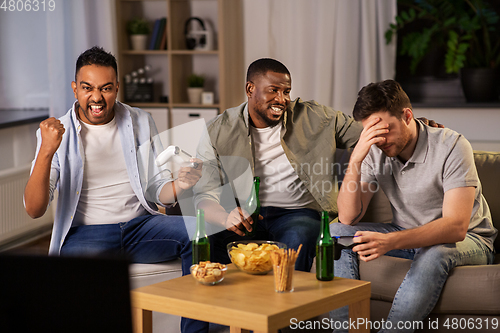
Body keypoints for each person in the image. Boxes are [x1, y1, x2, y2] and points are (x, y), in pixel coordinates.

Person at [23, 46, 206, 333]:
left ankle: (195, 330)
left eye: (106, 88)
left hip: (140, 227)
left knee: (199, 234)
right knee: (69, 285)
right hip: (88, 234)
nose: (96, 97)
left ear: (117, 88)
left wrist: (179, 184)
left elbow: (157, 188)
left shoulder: (140, 121)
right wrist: (46, 151)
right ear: (75, 89)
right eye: (87, 88)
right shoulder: (57, 132)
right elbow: (34, 210)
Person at [330, 79, 497, 332]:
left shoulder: (451, 145)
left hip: (470, 240)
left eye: (385, 130)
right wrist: (356, 158)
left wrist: (391, 242)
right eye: (371, 133)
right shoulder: (375, 150)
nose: (379, 140)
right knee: (336, 234)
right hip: (406, 233)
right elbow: (347, 216)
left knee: (435, 252)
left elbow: (455, 227)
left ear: (407, 116)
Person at [193, 58, 364, 272]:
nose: (281, 99)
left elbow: (365, 133)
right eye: (273, 90)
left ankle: (286, 301)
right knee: (200, 235)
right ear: (250, 89)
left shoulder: (316, 117)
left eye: (286, 92)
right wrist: (224, 217)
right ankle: (208, 304)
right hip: (246, 215)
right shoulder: (218, 130)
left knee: (298, 235)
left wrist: (414, 126)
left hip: (298, 213)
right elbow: (204, 195)